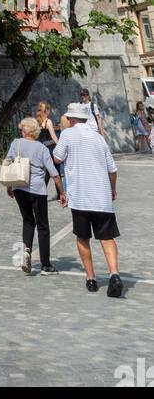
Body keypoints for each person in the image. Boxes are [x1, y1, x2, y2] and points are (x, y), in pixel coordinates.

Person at [52, 101, 122, 297]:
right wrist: (112, 190)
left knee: (83, 238)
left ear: (71, 119)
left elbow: (57, 158)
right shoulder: (98, 138)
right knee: (107, 238)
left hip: (80, 197)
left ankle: (90, 278)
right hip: (101, 197)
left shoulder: (67, 134)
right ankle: (114, 273)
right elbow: (112, 169)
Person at [4, 116, 66, 275]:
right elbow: (54, 173)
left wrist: (9, 186)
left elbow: (7, 163)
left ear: (25, 130)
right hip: (37, 190)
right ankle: (45, 264)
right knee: (43, 226)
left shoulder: (15, 143)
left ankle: (26, 250)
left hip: (19, 188)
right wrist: (62, 193)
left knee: (27, 220)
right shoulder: (42, 148)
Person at [36, 100, 62, 199]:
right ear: (46, 110)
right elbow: (54, 137)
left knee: (45, 173)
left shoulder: (37, 121)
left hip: (41, 149)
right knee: (56, 172)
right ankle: (60, 194)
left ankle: (41, 193)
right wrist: (60, 146)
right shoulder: (48, 121)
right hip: (50, 149)